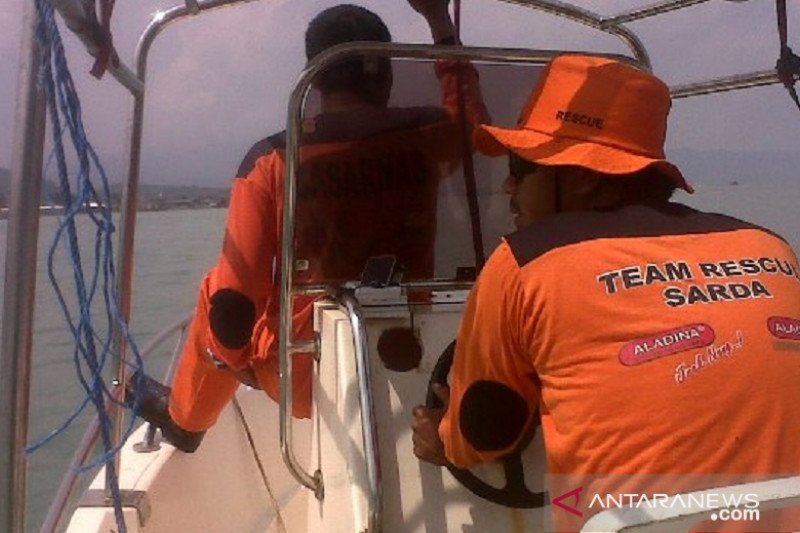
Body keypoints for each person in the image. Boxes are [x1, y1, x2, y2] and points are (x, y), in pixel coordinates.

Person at [411, 54, 800, 531]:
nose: (509, 185)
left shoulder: (526, 261)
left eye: (521, 166)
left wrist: (441, 438)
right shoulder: (770, 247)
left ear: (585, 176)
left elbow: (485, 432)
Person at [127, 1, 488, 452]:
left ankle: (187, 419)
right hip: (418, 355)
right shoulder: (428, 136)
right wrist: (439, 22)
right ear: (388, 74)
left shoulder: (274, 159)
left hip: (305, 378)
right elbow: (478, 128)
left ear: (313, 79)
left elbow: (235, 302)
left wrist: (234, 361)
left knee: (215, 289)